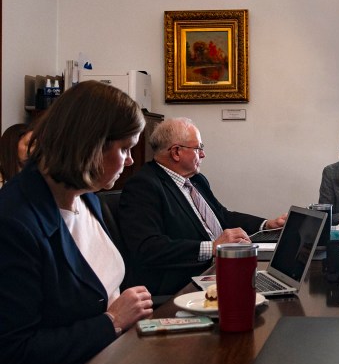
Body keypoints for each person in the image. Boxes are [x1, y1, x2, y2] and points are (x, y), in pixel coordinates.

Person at [0, 81, 154, 364]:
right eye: (122, 148)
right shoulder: (14, 221)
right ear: (89, 143)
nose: (129, 161)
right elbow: (13, 351)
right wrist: (111, 322)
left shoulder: (89, 202)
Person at [119, 117, 287, 296]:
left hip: (217, 271)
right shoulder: (144, 186)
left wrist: (267, 224)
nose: (203, 154)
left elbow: (223, 216)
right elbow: (149, 248)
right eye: (199, 148)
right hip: (182, 285)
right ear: (176, 152)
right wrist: (212, 247)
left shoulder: (196, 180)